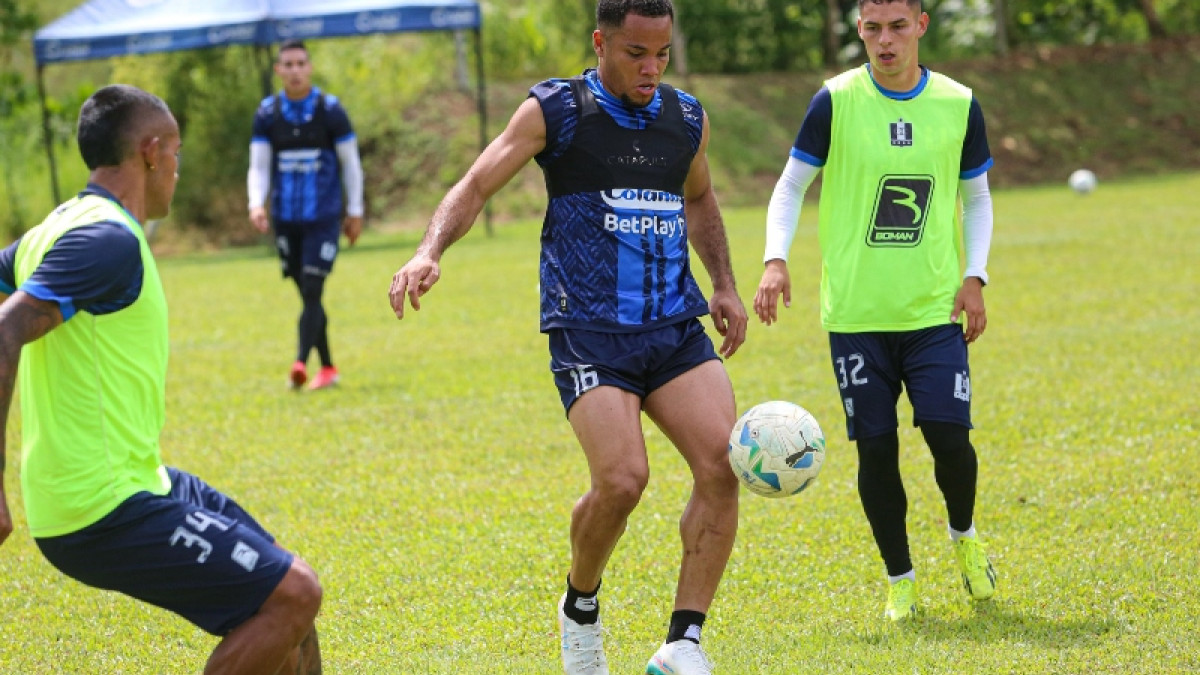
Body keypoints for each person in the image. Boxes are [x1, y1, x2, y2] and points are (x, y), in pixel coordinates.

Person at [388, 2, 746, 672]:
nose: (651, 68)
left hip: (673, 325)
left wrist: (723, 282)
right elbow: (477, 181)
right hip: (588, 329)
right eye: (636, 53)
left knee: (722, 465)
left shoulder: (685, 119)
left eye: (662, 54)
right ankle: (580, 605)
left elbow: (699, 197)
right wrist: (429, 249)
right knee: (622, 480)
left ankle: (684, 642)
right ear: (600, 42)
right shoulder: (559, 111)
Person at [0, 84, 323, 673]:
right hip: (97, 504)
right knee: (294, 595)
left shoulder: (59, 226)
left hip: (134, 477)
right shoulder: (108, 240)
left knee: (285, 586)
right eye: (176, 153)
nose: (177, 167)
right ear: (150, 152)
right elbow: (5, 330)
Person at [753, 0, 998, 622]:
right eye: (871, 29)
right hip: (858, 318)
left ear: (921, 24)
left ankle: (965, 537)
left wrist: (975, 276)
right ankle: (901, 581)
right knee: (876, 450)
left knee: (950, 437)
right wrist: (774, 259)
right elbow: (789, 187)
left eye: (896, 27)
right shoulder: (833, 101)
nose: (883, 42)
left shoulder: (958, 102)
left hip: (933, 310)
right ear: (858, 29)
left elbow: (977, 199)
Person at [248, 38, 364, 391]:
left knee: (313, 288)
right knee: (308, 296)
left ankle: (300, 362)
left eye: (301, 63)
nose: (295, 70)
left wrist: (355, 210)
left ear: (310, 68)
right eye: (289, 64)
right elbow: (259, 166)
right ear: (278, 70)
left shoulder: (330, 110)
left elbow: (351, 164)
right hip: (286, 218)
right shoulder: (268, 114)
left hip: (324, 218)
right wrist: (256, 203)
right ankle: (328, 367)